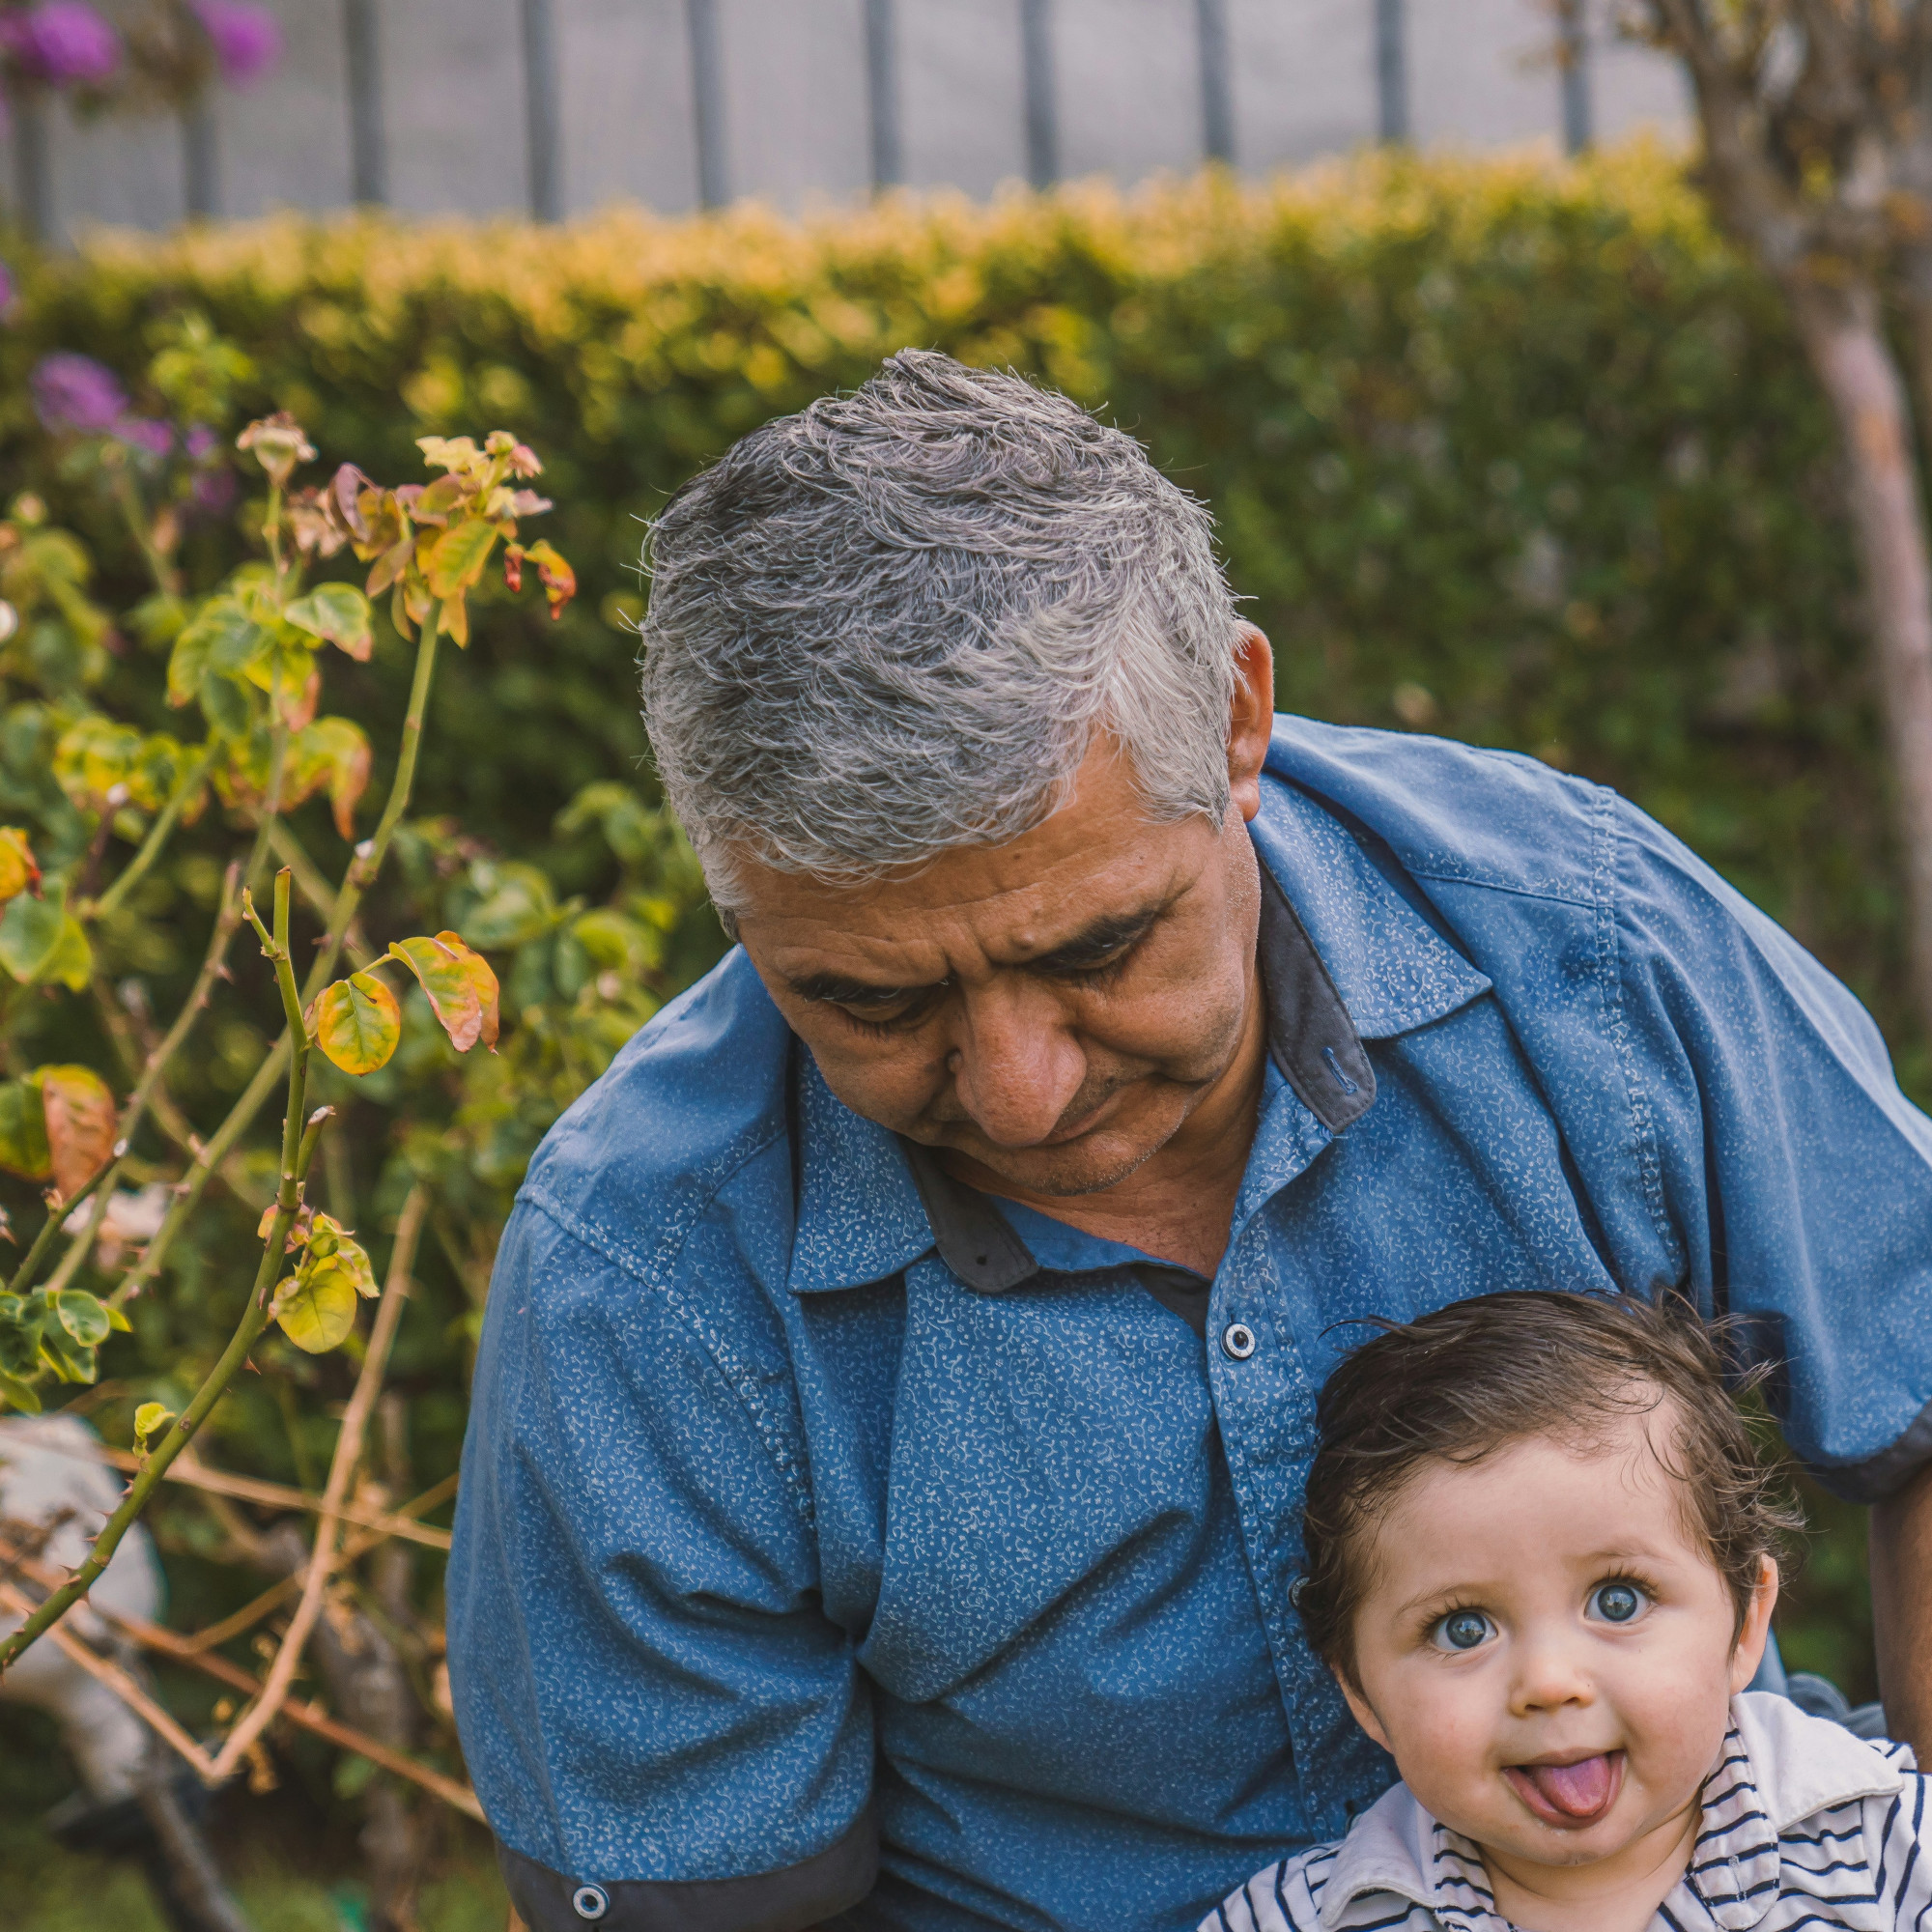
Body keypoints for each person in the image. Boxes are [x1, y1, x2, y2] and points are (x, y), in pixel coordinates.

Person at [446, 351, 1932, 1932]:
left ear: (1237, 722)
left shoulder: (1585, 948)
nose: (1019, 1091)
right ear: (737, 891)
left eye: (1097, 951)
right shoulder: (642, 1281)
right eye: (870, 1002)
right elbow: (710, 1906)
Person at [1204, 1291, 1931, 1932]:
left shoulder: (1891, 1844)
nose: (1550, 1683)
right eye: (1463, 1629)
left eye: (1618, 1601)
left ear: (1744, 1625)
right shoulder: (1295, 1918)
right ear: (1361, 1692)